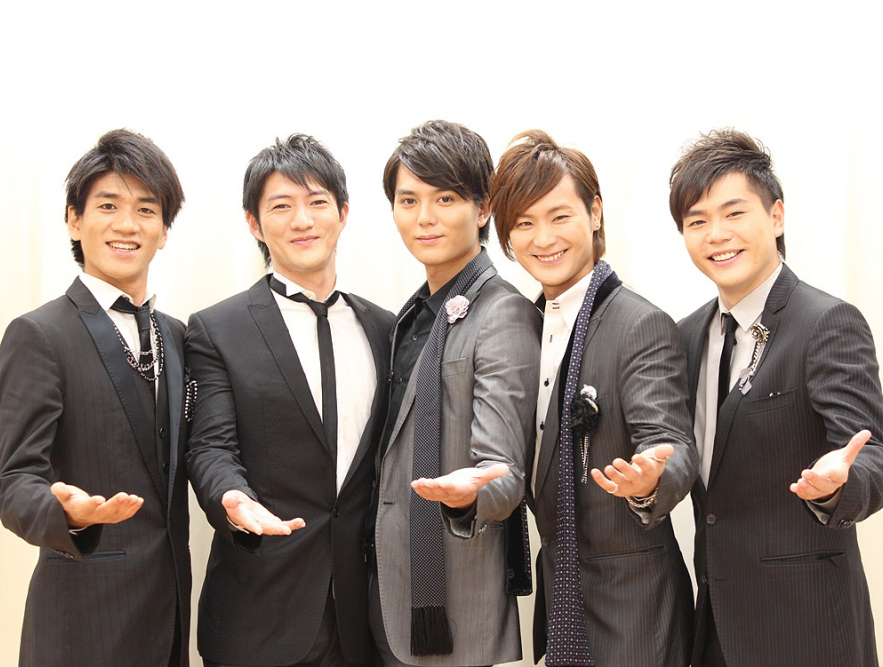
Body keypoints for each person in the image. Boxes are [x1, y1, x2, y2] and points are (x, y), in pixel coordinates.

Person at [669, 129, 883, 667]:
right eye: (697, 221)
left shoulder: (826, 322)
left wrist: (838, 485)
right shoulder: (684, 337)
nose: (717, 234)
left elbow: (875, 458)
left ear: (776, 216)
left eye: (734, 213)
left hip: (808, 628)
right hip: (715, 628)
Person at [488, 129, 696, 666]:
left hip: (636, 611)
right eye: (524, 223)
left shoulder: (639, 325)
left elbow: (670, 442)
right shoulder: (522, 328)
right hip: (561, 598)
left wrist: (652, 478)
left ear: (595, 212)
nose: (543, 238)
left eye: (559, 216)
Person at [185, 134, 393, 667]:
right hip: (261, 612)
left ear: (343, 214)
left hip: (364, 619)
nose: (302, 220)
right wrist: (231, 498)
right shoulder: (217, 330)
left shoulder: (386, 328)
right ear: (254, 224)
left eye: (317, 202)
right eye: (281, 206)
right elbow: (210, 447)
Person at [0, 129, 190, 667]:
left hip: (169, 621)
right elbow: (14, 482)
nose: (127, 224)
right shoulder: (39, 335)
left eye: (146, 209)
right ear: (75, 221)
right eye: (108, 206)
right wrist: (70, 515)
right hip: (81, 623)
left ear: (163, 231)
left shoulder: (178, 336)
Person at [370, 119, 540, 667]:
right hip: (383, 584)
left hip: (448, 594)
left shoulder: (502, 312)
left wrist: (468, 495)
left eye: (444, 198)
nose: (424, 217)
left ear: (483, 207)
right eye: (408, 200)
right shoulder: (413, 314)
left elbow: (504, 473)